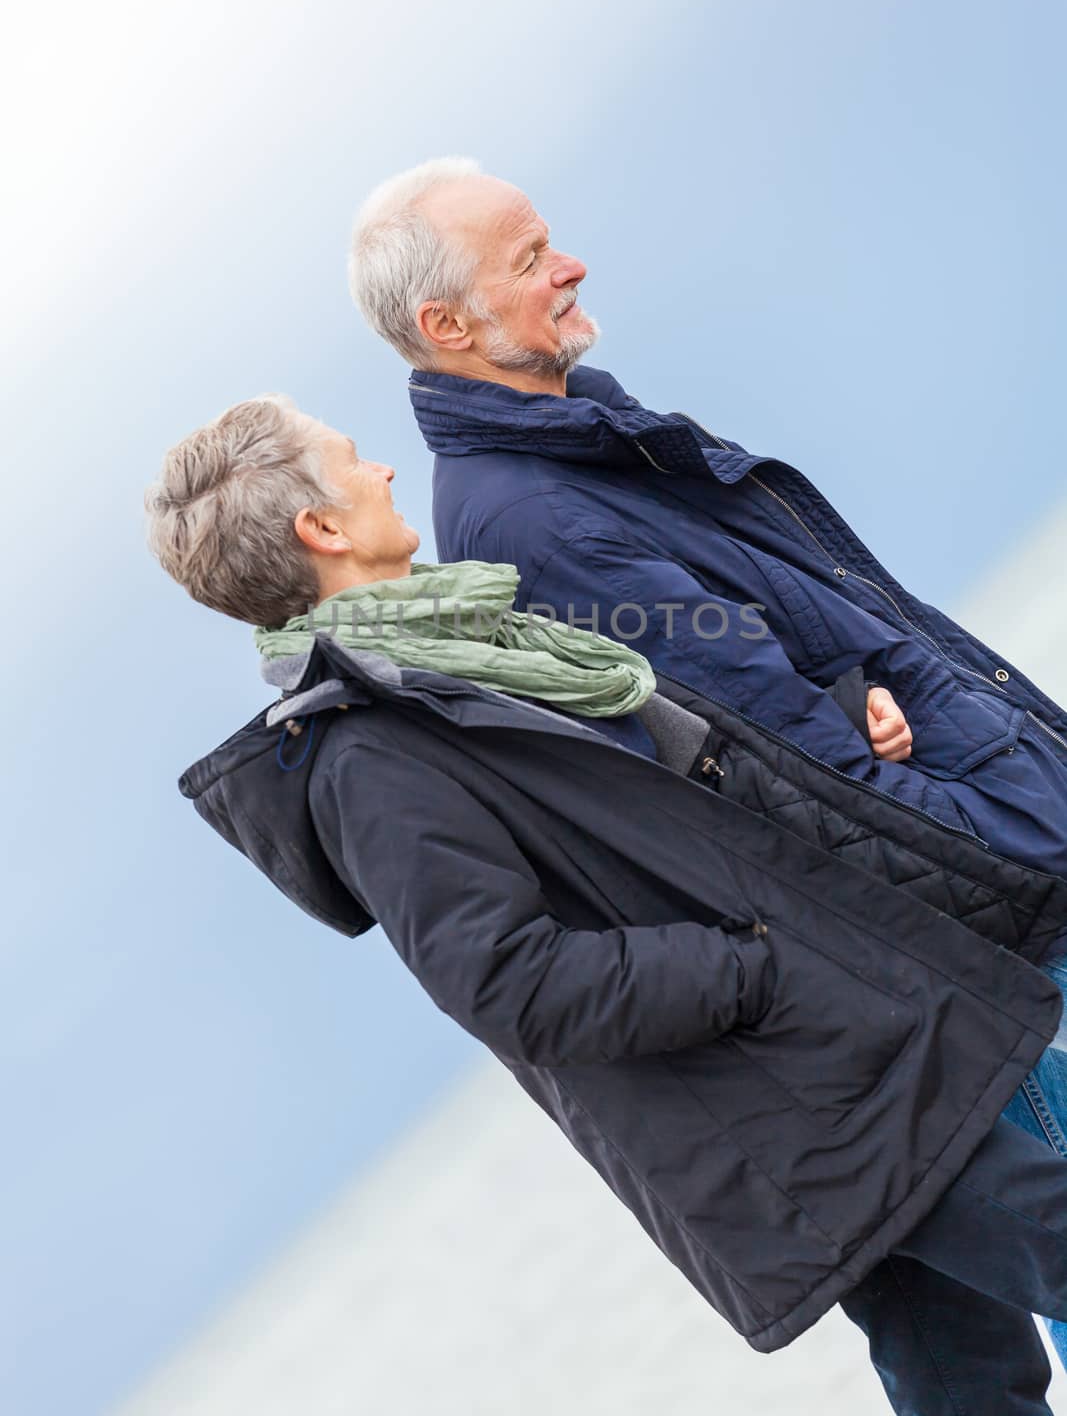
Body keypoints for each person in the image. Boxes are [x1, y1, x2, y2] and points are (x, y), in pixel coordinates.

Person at [148, 394, 1067, 1416]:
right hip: (805, 1090)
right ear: (320, 529)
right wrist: (754, 970)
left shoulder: (476, 646)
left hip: (851, 1050)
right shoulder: (367, 754)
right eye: (354, 461)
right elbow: (507, 979)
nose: (386, 474)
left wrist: (844, 719)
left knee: (966, 1385)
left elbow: (669, 810)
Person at [350, 155, 1067, 1373]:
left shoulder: (577, 442)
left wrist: (859, 710)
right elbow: (778, 753)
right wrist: (979, 845)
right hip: (956, 909)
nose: (568, 264)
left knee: (952, 1348)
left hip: (930, 907)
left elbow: (749, 687)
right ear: (446, 324)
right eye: (529, 258)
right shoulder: (526, 514)